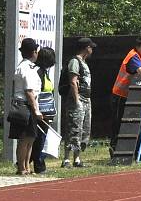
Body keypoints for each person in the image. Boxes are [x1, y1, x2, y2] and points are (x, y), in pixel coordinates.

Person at [59, 37, 95, 168]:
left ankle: (77, 159)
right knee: (73, 128)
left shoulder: (84, 62)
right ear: (86, 48)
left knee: (84, 130)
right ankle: (66, 159)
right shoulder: (74, 61)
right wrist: (76, 100)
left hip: (86, 99)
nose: (92, 49)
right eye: (91, 47)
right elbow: (73, 81)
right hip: (77, 99)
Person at [9, 38, 42, 175]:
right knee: (24, 139)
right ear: (34, 52)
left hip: (28, 105)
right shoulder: (26, 68)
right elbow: (29, 91)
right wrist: (36, 110)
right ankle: (21, 167)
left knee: (31, 138)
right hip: (24, 106)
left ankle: (27, 167)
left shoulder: (28, 66)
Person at [30, 47, 56, 174]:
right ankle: (38, 165)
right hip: (41, 111)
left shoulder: (44, 72)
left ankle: (33, 161)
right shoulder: (38, 72)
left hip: (47, 110)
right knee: (39, 139)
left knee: (41, 138)